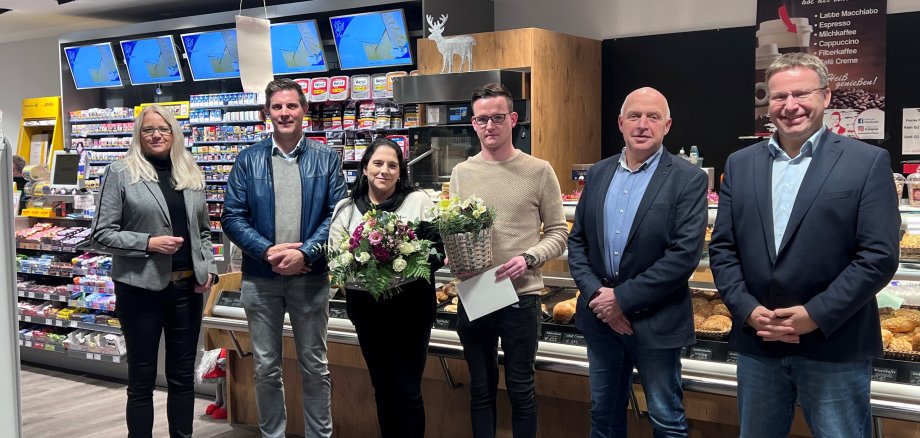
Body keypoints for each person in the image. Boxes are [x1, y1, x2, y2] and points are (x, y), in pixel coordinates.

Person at [708, 53, 900, 438]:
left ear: (826, 97)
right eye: (779, 96)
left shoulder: (866, 162)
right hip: (758, 344)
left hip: (835, 344)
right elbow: (723, 249)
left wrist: (814, 314)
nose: (790, 105)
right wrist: (747, 310)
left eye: (801, 93)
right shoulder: (741, 163)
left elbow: (878, 256)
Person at [567, 87, 707, 437]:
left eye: (653, 117)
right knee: (604, 416)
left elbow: (684, 255)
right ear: (620, 123)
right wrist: (599, 297)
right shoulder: (597, 174)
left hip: (657, 321)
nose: (642, 124)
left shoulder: (688, 178)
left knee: (666, 419)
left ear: (667, 125)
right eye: (634, 116)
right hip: (601, 320)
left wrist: (621, 300)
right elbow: (578, 242)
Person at [221, 78, 346, 438]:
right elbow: (232, 216)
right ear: (267, 113)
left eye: (291, 106)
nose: (284, 113)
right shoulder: (248, 160)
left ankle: (318, 435)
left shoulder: (326, 159)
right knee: (265, 367)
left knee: (315, 366)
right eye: (277, 107)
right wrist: (266, 251)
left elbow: (336, 214)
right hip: (261, 279)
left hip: (310, 276)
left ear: (304, 110)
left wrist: (305, 252)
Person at [449, 83, 568, 438]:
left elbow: (559, 233)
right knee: (481, 389)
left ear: (513, 119)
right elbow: (454, 229)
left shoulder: (539, 171)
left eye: (497, 118)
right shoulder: (461, 173)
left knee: (521, 390)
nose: (490, 126)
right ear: (473, 124)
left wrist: (529, 258)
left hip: (521, 296)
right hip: (475, 292)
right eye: (482, 119)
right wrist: (454, 257)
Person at [91, 104, 218, 438]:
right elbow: (101, 233)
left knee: (181, 377)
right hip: (140, 289)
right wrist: (148, 243)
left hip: (187, 290)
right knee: (142, 378)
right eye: (148, 130)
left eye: (163, 128)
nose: (157, 135)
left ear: (174, 132)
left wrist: (207, 270)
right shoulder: (121, 172)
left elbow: (203, 231)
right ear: (139, 134)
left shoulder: (189, 171)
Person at [328, 137, 444, 438]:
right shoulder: (346, 208)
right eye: (377, 163)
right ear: (364, 168)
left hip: (412, 311)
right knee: (382, 388)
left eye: (392, 165)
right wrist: (360, 267)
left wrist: (403, 264)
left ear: (400, 171)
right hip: (367, 312)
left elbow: (438, 250)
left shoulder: (418, 201)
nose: (384, 170)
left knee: (407, 390)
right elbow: (335, 259)